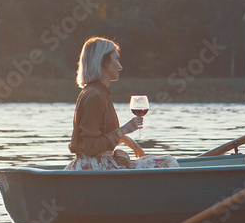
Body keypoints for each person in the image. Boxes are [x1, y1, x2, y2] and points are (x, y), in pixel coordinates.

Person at [65, 37, 178, 171]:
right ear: (103, 61)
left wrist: (126, 140)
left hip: (97, 164)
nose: (120, 66)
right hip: (94, 167)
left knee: (157, 160)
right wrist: (125, 129)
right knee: (168, 162)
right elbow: (90, 147)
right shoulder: (95, 95)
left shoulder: (98, 91)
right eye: (116, 59)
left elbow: (101, 135)